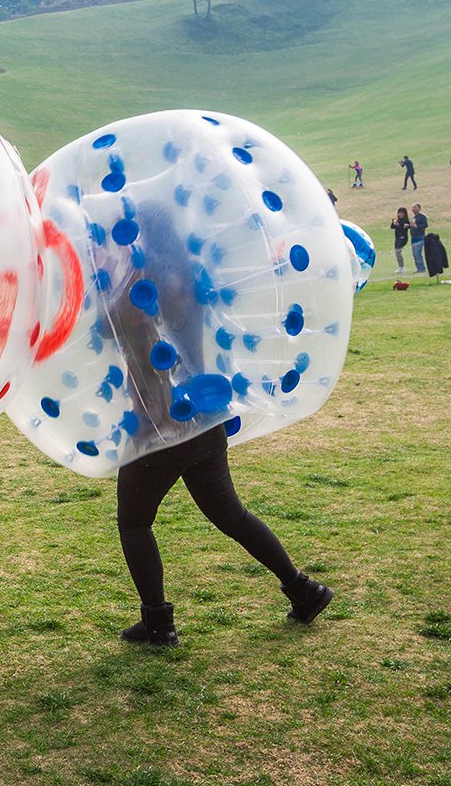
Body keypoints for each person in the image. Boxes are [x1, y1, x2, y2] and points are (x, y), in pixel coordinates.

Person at [109, 202, 333, 649]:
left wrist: (105, 274)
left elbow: (112, 320)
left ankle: (157, 623)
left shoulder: (142, 281)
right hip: (205, 416)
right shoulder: (191, 278)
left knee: (134, 521)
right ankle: (302, 589)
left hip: (162, 425)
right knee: (230, 513)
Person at [390, 207, 411, 273]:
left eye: (401, 213)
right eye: (399, 213)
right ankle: (400, 267)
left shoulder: (406, 221)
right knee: (396, 252)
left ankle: (401, 267)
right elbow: (392, 227)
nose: (400, 214)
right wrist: (393, 223)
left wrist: (400, 225)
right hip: (397, 239)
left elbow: (404, 229)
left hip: (403, 238)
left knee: (398, 251)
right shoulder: (398, 221)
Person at [410, 203, 428, 273]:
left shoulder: (422, 217)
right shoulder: (413, 217)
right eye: (412, 207)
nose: (413, 209)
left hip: (420, 237)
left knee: (417, 252)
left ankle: (422, 268)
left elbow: (425, 225)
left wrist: (417, 226)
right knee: (414, 254)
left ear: (419, 208)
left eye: (415, 207)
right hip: (413, 237)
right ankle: (418, 268)